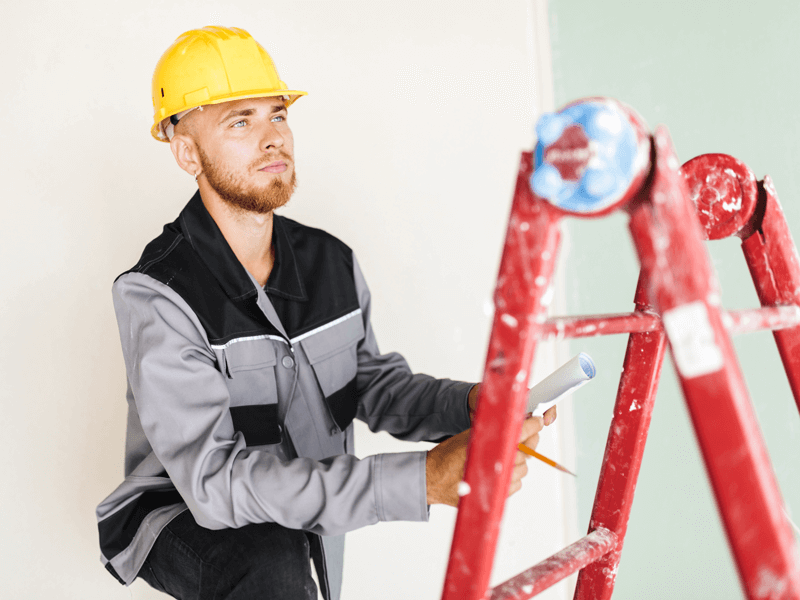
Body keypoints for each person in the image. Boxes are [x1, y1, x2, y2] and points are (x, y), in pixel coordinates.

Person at [95, 26, 556, 600]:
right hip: (181, 510)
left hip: (303, 497)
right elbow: (214, 484)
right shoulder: (158, 293)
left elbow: (371, 384)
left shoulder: (330, 262)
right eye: (241, 121)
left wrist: (468, 406)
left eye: (278, 115)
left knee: (290, 555)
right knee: (271, 561)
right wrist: (421, 481)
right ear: (187, 151)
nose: (272, 139)